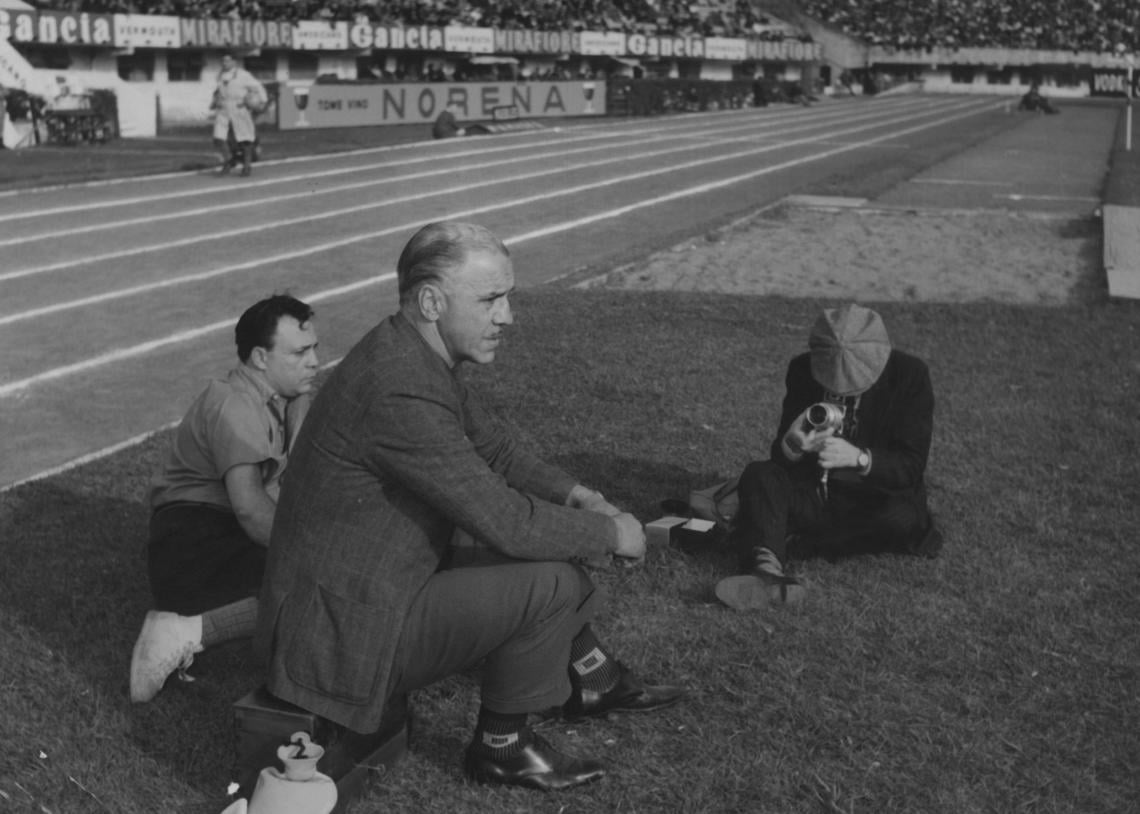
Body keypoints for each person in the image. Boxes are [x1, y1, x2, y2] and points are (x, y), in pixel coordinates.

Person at [256, 222, 685, 791]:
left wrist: (579, 497)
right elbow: (507, 521)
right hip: (341, 632)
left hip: (365, 587)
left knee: (540, 541)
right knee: (548, 578)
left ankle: (594, 676)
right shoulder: (398, 387)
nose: (507, 316)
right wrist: (613, 534)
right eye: (490, 300)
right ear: (432, 301)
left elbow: (496, 449)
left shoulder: (410, 350)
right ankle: (502, 748)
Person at [129, 295, 319, 702]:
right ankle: (182, 632)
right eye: (301, 352)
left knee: (321, 565)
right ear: (260, 358)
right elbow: (252, 510)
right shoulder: (235, 405)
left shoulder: (274, 400)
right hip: (192, 547)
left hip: (206, 533)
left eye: (314, 349)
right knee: (318, 578)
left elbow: (289, 491)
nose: (315, 361)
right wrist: (311, 552)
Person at [715, 303, 941, 611]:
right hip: (816, 494)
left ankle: (791, 538)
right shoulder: (802, 370)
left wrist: (860, 458)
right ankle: (767, 571)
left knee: (901, 517)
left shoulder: (909, 376)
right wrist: (792, 445)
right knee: (759, 475)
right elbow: (780, 463)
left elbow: (910, 466)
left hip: (873, 500)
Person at [211, 53, 268, 177]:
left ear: (234, 62)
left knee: (245, 138)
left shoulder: (243, 75)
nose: (224, 63)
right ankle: (229, 160)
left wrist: (262, 101)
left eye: (227, 61)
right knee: (218, 138)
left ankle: (247, 166)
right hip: (224, 108)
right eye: (223, 61)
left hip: (239, 107)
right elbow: (218, 90)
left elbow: (258, 86)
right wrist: (214, 101)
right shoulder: (220, 75)